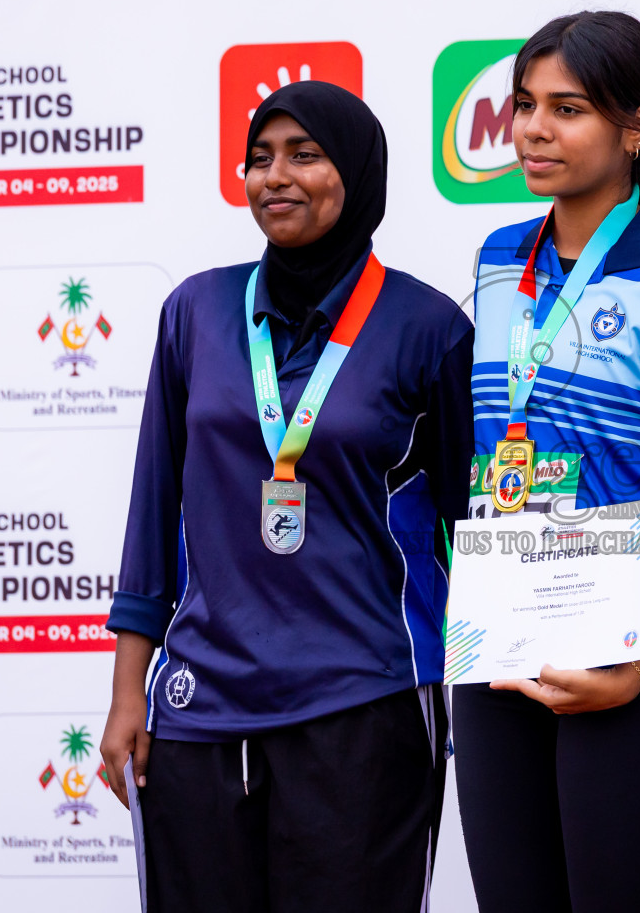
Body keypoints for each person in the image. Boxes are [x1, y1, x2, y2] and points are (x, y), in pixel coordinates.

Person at [99, 81, 473, 912]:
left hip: (364, 703)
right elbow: (153, 510)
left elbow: (470, 527)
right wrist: (129, 693)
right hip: (200, 707)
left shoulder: (429, 328)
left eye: (305, 155)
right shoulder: (195, 311)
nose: (276, 176)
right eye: (260, 158)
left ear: (358, 172)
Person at [453, 11, 640, 913]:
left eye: (568, 108)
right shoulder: (499, 260)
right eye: (524, 105)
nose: (534, 129)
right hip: (499, 657)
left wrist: (634, 662)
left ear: (637, 128)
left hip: (632, 675)